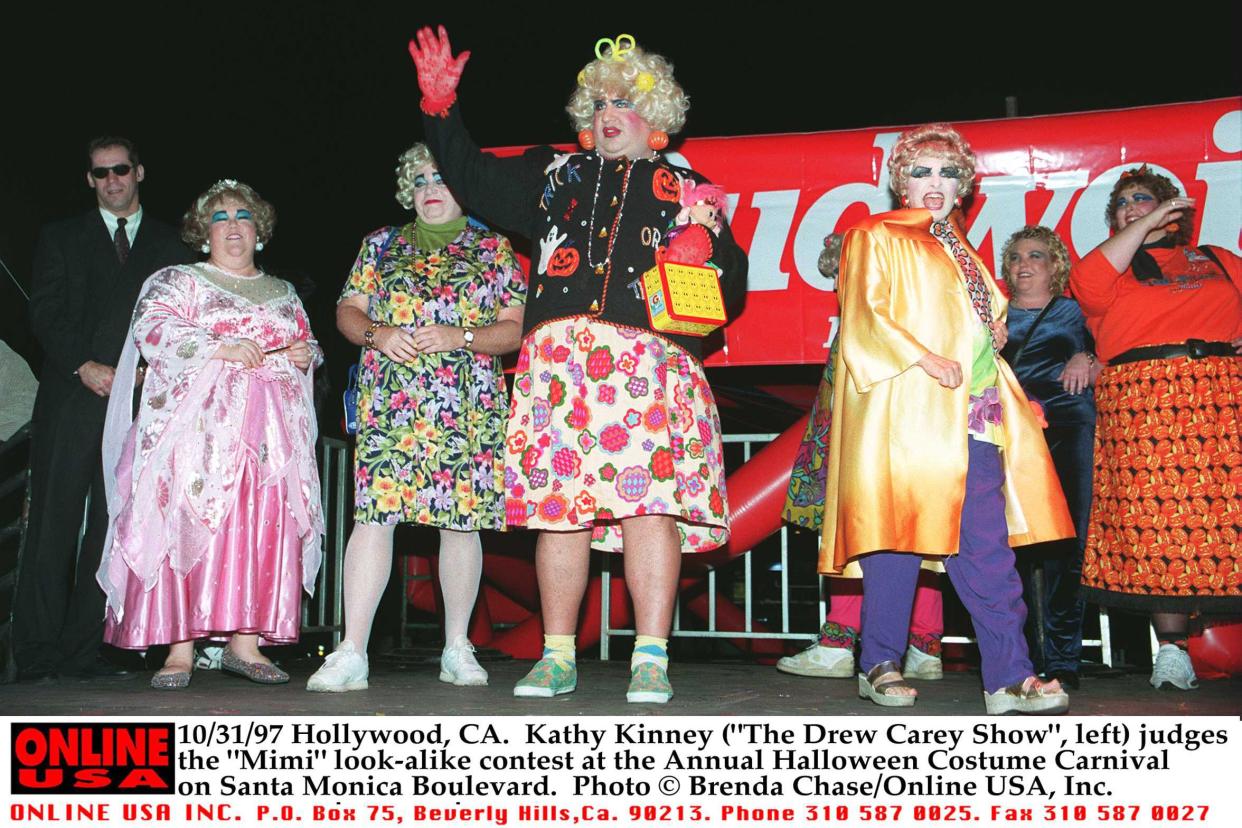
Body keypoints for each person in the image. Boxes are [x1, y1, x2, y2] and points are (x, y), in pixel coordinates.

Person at [409, 27, 747, 703]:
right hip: (560, 366)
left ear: (656, 118)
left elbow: (730, 290)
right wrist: (439, 111)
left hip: (648, 364)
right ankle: (556, 655)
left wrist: (701, 252)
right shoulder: (552, 175)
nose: (608, 111)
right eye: (598, 102)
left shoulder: (691, 191)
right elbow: (471, 177)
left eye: (625, 100)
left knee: (650, 508)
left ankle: (651, 658)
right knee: (558, 510)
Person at [820, 123, 1075, 714]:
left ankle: (1009, 676)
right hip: (906, 409)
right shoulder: (873, 232)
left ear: (964, 185)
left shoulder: (963, 248)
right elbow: (864, 315)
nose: (935, 183)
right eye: (921, 170)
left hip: (975, 414)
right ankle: (880, 660)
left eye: (948, 172)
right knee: (896, 539)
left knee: (987, 549)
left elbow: (981, 332)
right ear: (899, 181)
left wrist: (995, 345)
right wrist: (923, 356)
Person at [307, 143, 525, 692]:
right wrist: (379, 334)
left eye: (442, 178)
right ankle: (351, 651)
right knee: (374, 520)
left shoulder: (494, 248)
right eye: (421, 179)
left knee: (461, 523)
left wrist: (463, 337)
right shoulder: (378, 245)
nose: (430, 188)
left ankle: (457, 647)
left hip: (466, 407)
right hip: (390, 404)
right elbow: (347, 312)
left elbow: (515, 329)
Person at [96, 179, 324, 689]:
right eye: (220, 218)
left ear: (259, 232)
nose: (233, 226)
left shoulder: (284, 293)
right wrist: (218, 347)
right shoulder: (179, 281)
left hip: (268, 438)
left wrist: (306, 356)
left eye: (243, 216)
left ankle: (246, 645)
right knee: (187, 522)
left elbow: (305, 345)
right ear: (204, 233)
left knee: (262, 527)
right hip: (197, 433)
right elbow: (151, 330)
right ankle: (179, 648)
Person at [13, 136, 190, 681]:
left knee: (114, 528)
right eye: (99, 173)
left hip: (138, 402)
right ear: (89, 180)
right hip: (73, 396)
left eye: (120, 169)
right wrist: (82, 365)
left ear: (140, 171)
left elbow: (181, 321)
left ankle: (87, 649)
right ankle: (37, 653)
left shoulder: (172, 243)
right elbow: (44, 311)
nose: (110, 180)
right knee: (52, 528)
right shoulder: (61, 236)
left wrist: (147, 371)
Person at [1070, 165, 1242, 691]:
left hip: (1224, 399)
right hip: (1146, 406)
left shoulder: (1218, 259)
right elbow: (1085, 284)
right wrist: (1140, 226)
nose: (1129, 208)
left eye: (1141, 199)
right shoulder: (1109, 271)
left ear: (1175, 211)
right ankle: (1171, 653)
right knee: (1159, 528)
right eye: (1120, 205)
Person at [781, 235, 944, 681]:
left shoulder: (876, 321)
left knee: (857, 531)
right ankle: (925, 644)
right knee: (915, 534)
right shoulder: (898, 317)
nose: (839, 284)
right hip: (905, 440)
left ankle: (840, 642)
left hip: (871, 445)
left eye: (845, 272)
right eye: (835, 275)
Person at [999, 226, 1098, 689]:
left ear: (1056, 266)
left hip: (1069, 427)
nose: (1024, 263)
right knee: (1012, 545)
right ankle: (1019, 659)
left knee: (1068, 542)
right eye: (1016, 255)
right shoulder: (991, 316)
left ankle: (1062, 659)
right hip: (1008, 430)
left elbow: (1115, 346)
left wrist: (1089, 356)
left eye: (1036, 255)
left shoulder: (1076, 312)